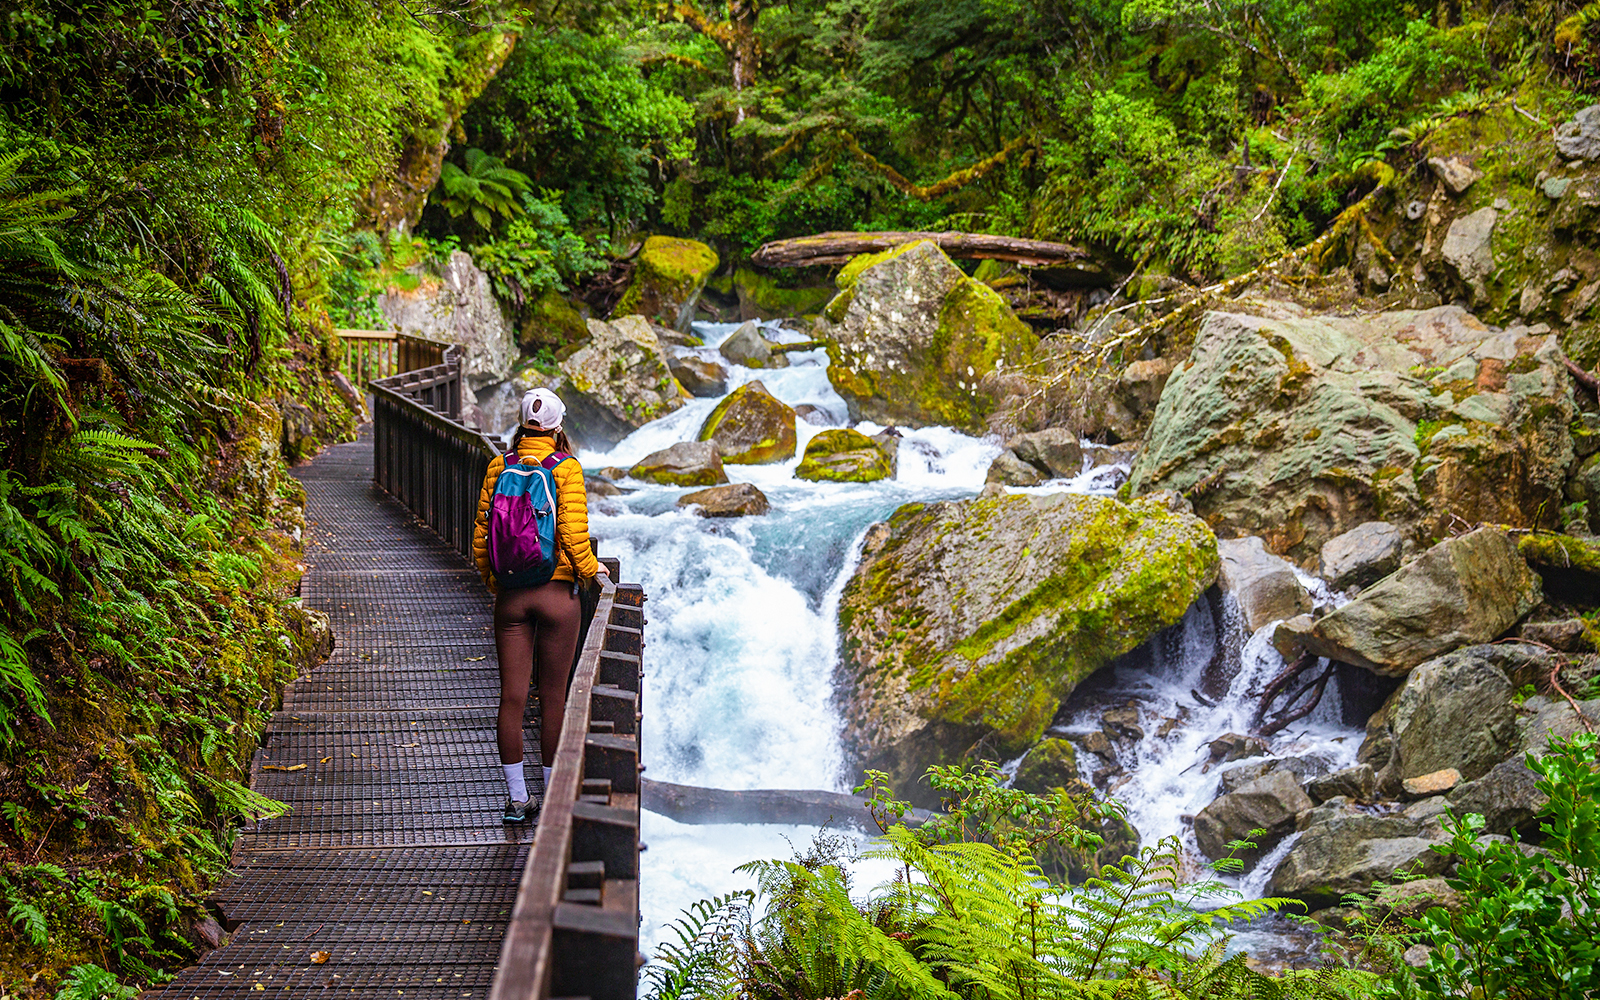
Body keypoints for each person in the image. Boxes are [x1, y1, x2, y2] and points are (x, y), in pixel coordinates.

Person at [472, 388, 607, 822]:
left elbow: (481, 534)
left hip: (511, 598)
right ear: (557, 426)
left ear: (522, 424)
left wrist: (495, 583)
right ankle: (550, 799)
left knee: (511, 699)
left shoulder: (500, 465)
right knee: (553, 698)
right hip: (556, 597)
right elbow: (571, 533)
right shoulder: (566, 468)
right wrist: (590, 572)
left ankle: (516, 800)